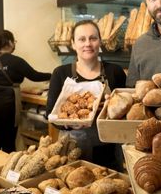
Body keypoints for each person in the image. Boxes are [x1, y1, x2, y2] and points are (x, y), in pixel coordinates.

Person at [46, 20, 126, 171]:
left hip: (108, 152)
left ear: (100, 42)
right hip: (72, 151)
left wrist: (109, 109)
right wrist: (68, 123)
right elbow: (50, 114)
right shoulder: (61, 73)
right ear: (73, 44)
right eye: (81, 39)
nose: (87, 44)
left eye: (93, 38)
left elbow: (126, 112)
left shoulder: (114, 72)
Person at [0, 29, 51, 153]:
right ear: (10, 42)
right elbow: (34, 76)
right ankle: (6, 171)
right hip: (6, 107)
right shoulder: (16, 61)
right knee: (8, 142)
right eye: (14, 41)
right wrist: (54, 74)